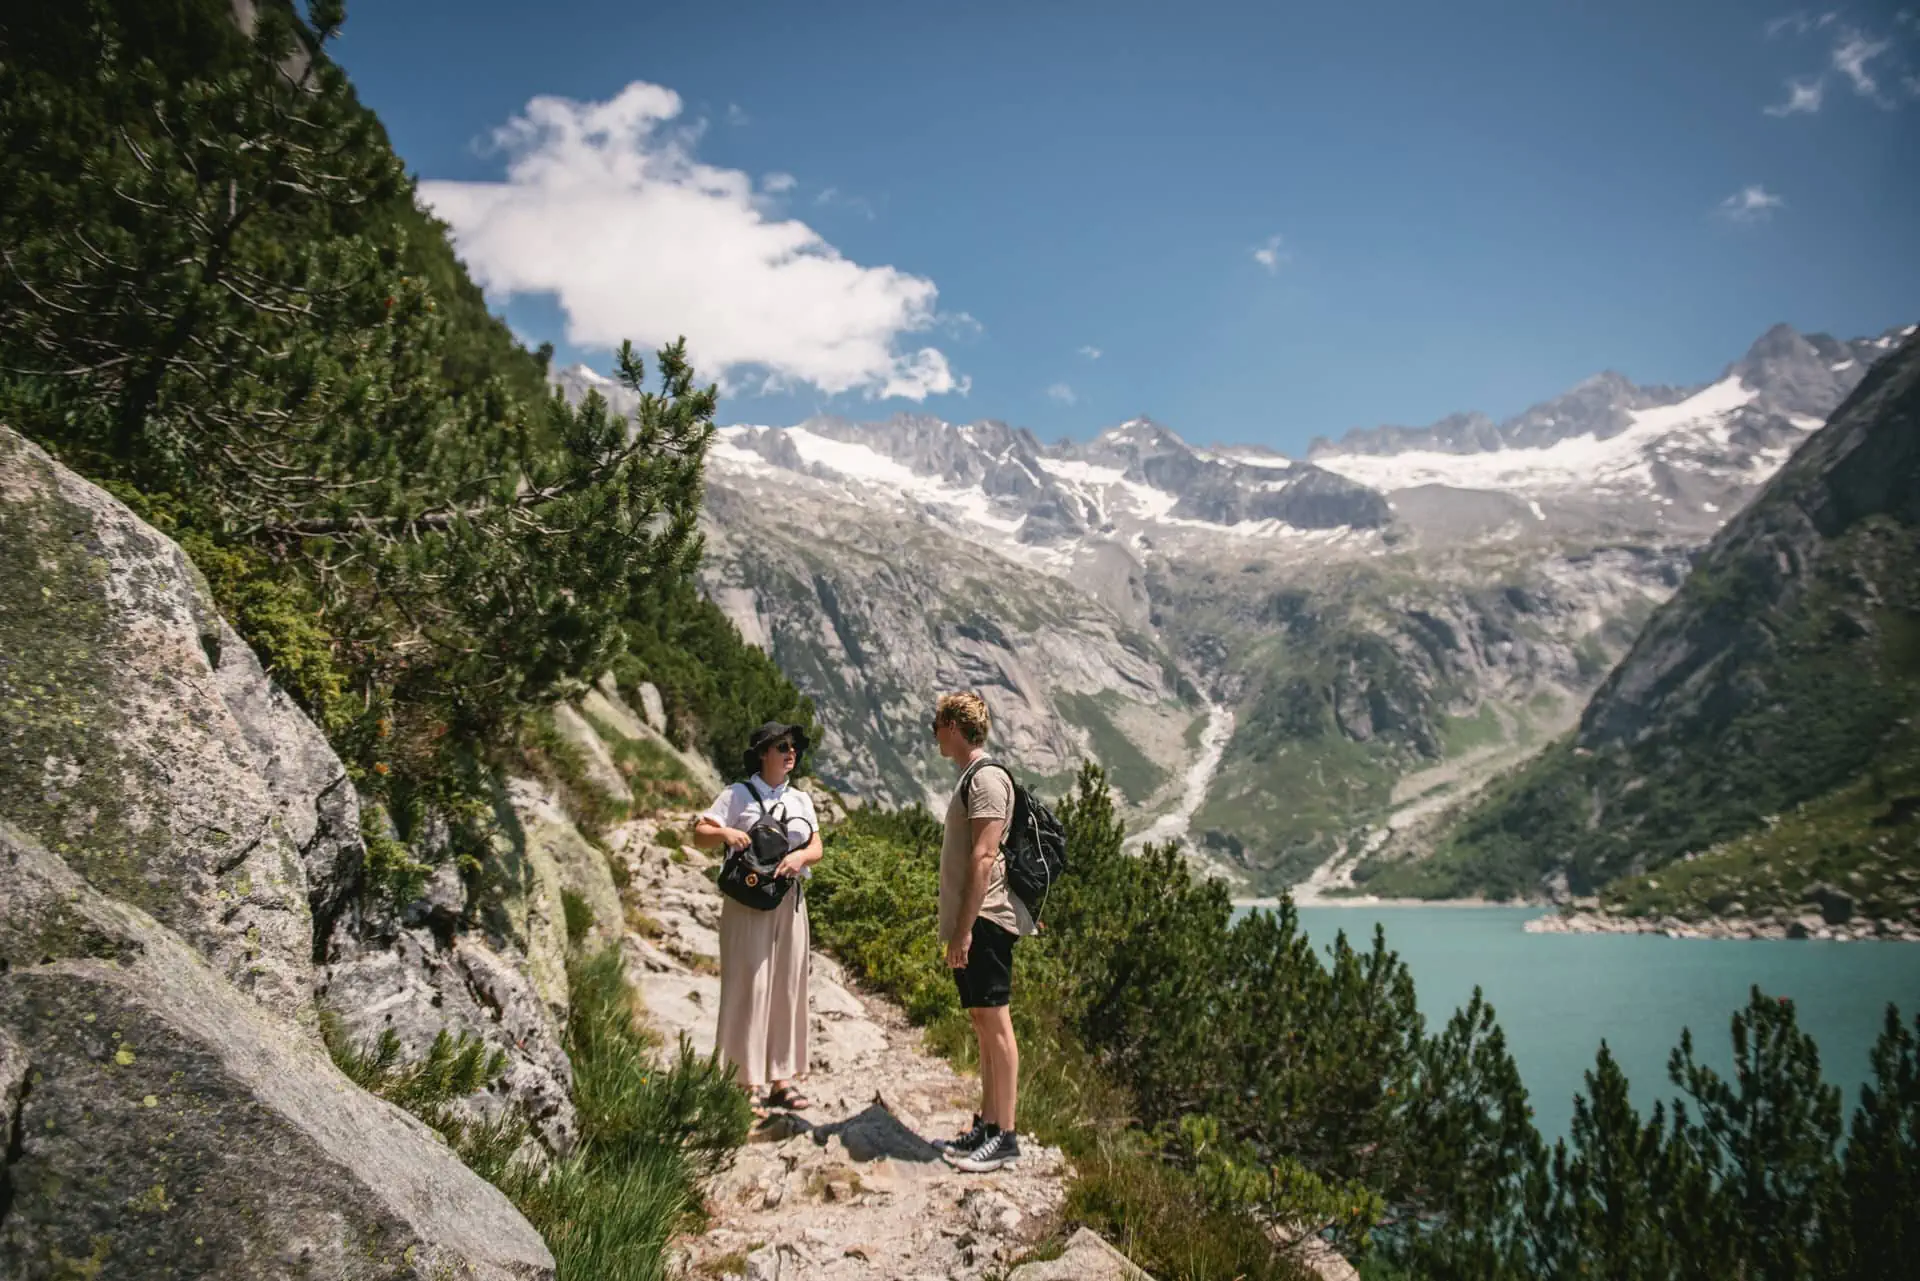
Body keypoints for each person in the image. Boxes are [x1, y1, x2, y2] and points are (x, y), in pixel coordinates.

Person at [692, 720, 822, 1113]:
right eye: (782, 746)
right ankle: (743, 1082)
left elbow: (816, 846)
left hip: (789, 901)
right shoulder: (736, 795)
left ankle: (781, 1079)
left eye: (793, 747)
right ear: (763, 753)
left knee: (786, 986)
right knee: (749, 988)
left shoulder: (801, 800)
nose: (790, 752)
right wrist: (726, 835)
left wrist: (800, 857)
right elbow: (699, 832)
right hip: (747, 902)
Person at [929, 691, 1035, 1172]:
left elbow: (984, 857)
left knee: (996, 1025)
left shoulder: (988, 779)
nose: (934, 733)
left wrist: (965, 930)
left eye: (937, 724)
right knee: (980, 1020)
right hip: (973, 920)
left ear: (953, 725)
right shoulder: (972, 778)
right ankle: (989, 1125)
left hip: (987, 919)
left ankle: (1006, 1135)